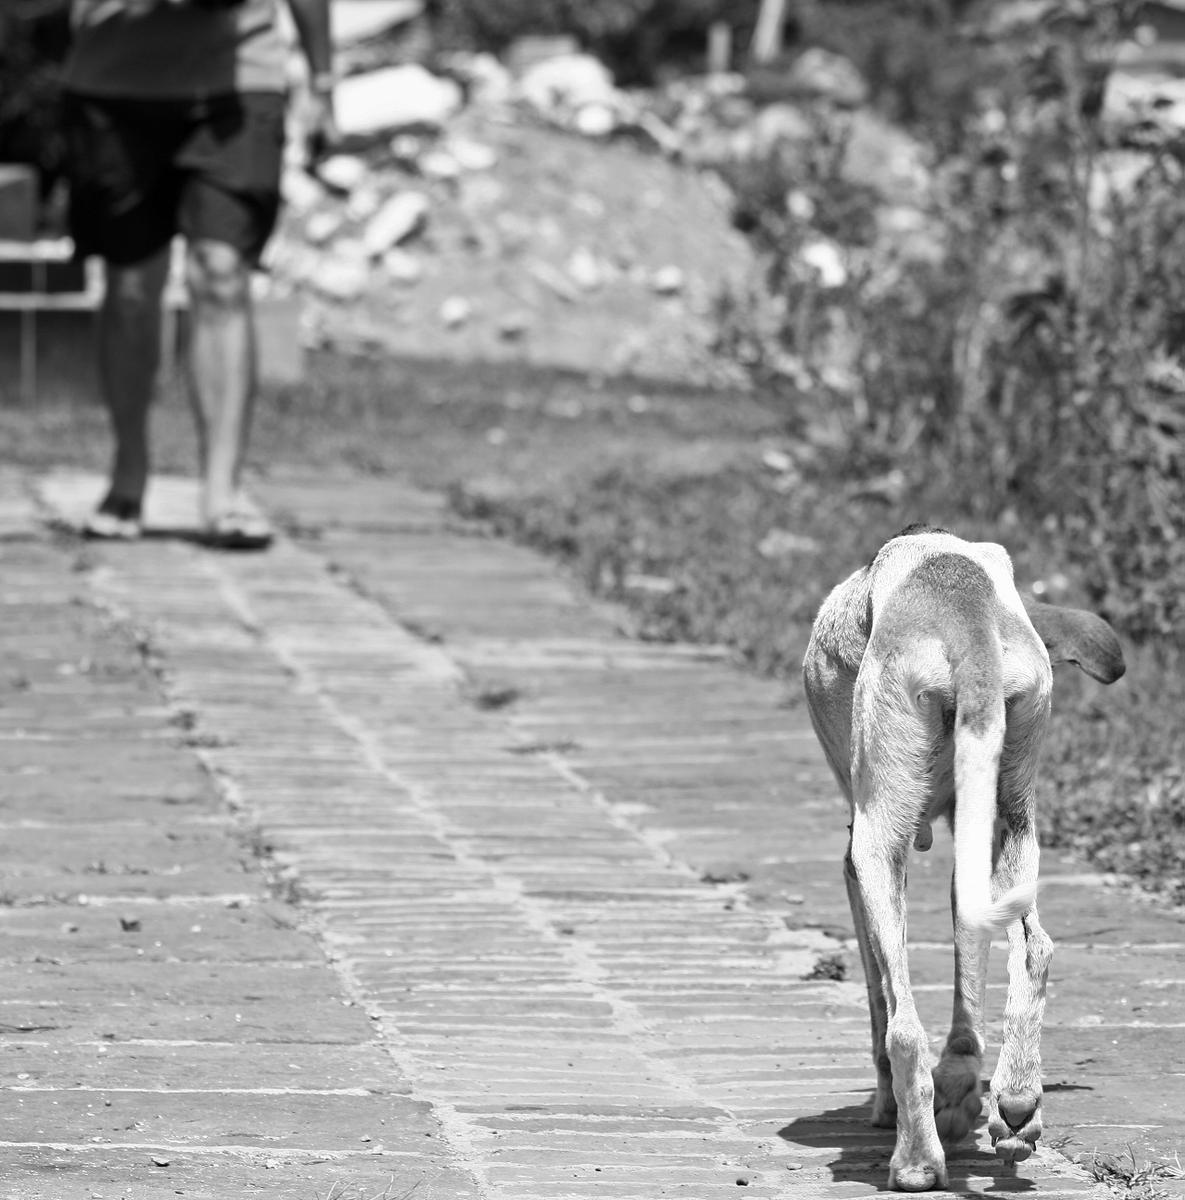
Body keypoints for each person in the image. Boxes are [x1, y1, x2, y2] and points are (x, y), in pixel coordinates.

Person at [53, 0, 336, 547]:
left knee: (221, 272)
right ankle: (128, 472)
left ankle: (222, 493)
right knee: (131, 286)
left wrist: (323, 82)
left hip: (238, 85)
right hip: (112, 86)